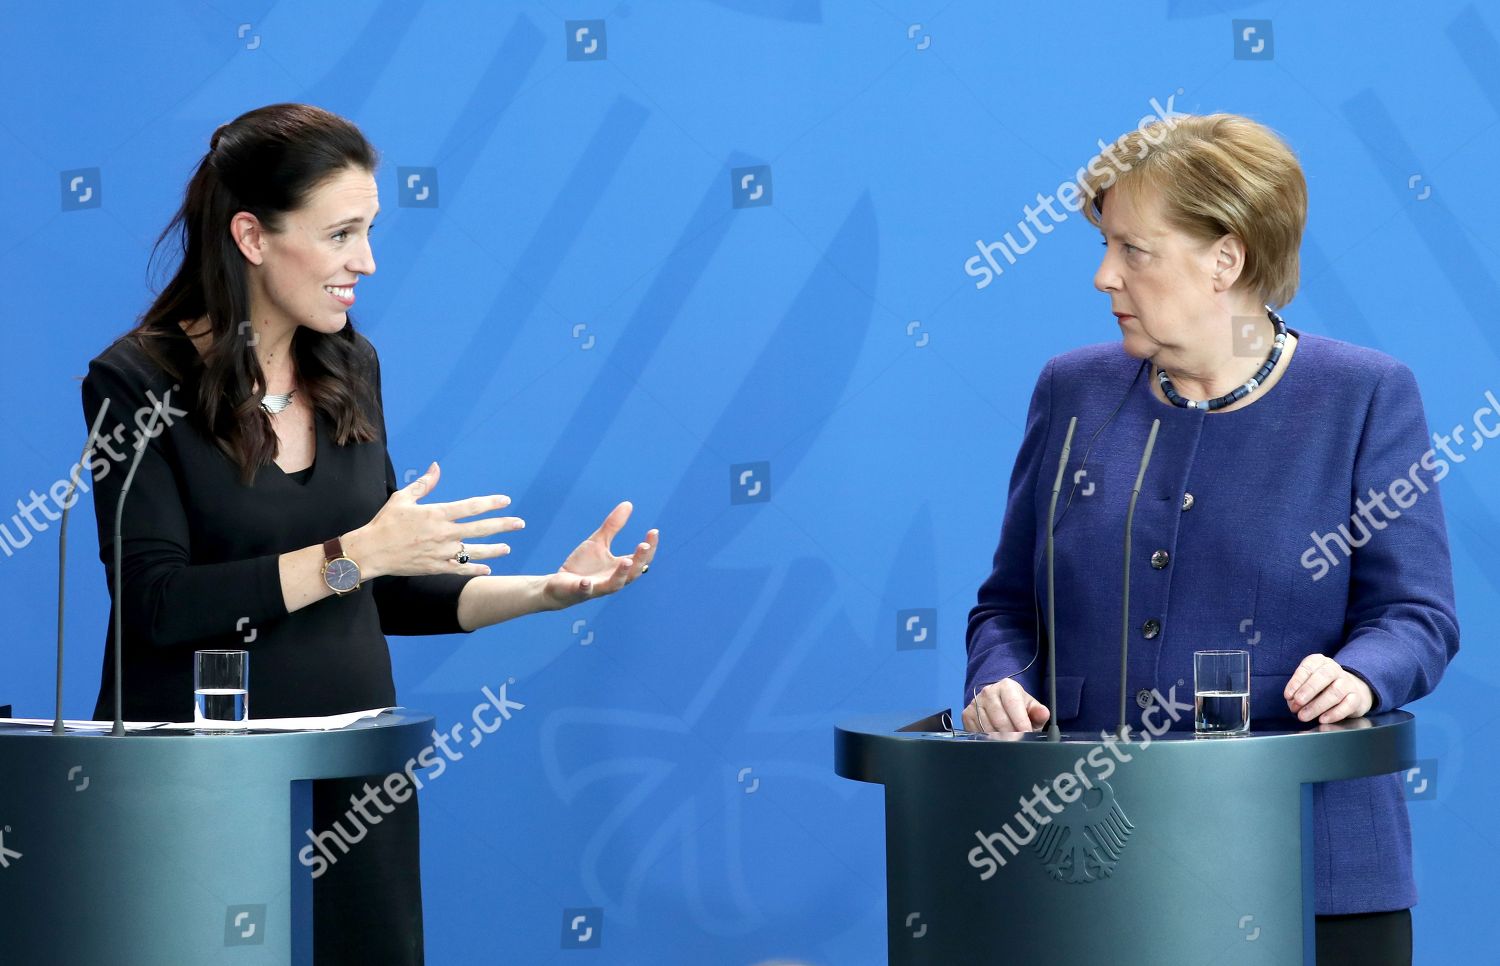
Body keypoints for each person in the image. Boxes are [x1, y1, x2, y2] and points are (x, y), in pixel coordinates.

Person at [79, 102, 659, 964]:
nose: (367, 262)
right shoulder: (135, 382)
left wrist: (547, 592)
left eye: (370, 231)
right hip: (194, 788)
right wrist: (357, 554)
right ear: (252, 236)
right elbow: (158, 603)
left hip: (357, 780)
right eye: (342, 233)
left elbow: (382, 589)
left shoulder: (350, 363)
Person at [962, 113, 1457, 966]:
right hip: (1088, 870)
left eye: (1132, 249)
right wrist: (999, 680)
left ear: (1225, 259)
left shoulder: (1363, 396)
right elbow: (1006, 606)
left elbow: (1417, 615)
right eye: (1104, 245)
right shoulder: (1071, 391)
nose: (1103, 275)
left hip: (1312, 874)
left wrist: (1360, 676)